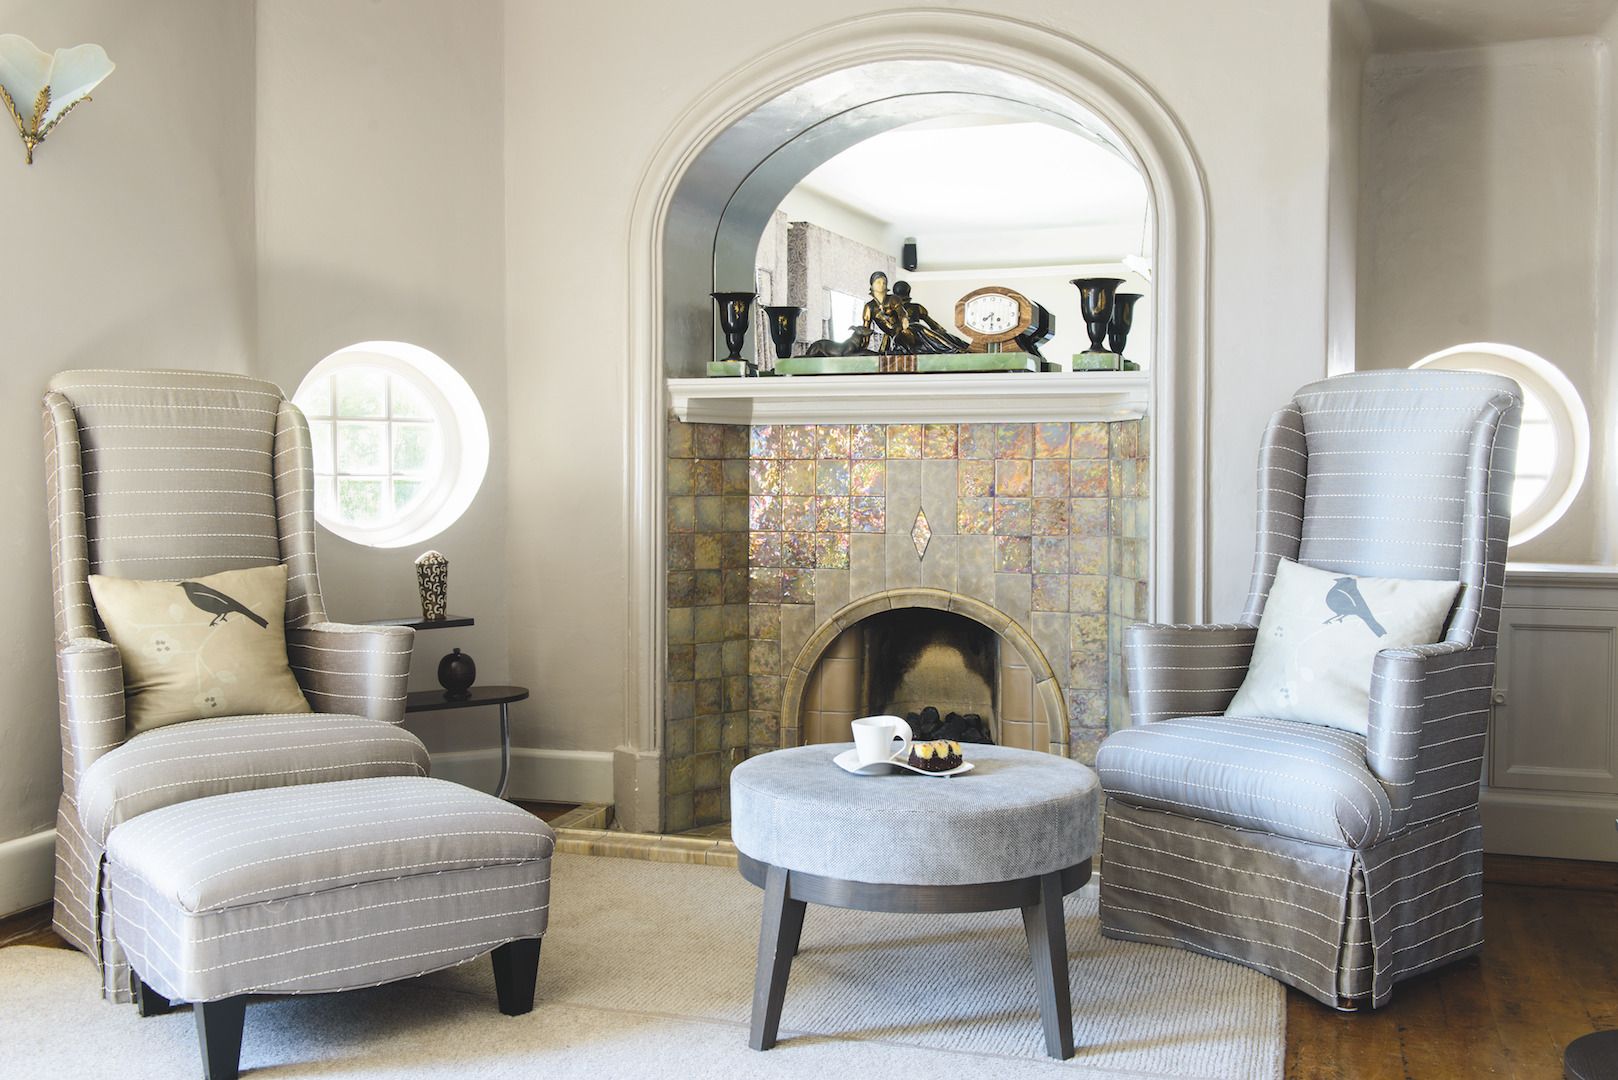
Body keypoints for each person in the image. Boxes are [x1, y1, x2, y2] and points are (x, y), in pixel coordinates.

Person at [891, 280, 970, 354]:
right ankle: (955, 349)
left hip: (918, 334)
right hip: (910, 334)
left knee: (944, 336)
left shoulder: (915, 307)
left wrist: (940, 330)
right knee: (935, 335)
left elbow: (932, 324)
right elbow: (932, 324)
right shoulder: (894, 310)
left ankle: (966, 347)